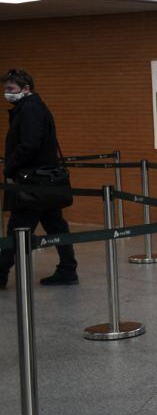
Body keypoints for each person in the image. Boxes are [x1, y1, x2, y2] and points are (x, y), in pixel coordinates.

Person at [0, 68, 78, 288]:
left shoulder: (30, 109)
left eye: (10, 89)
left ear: (26, 88)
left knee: (18, 229)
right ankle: (67, 268)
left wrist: (10, 167)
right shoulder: (35, 106)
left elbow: (30, 144)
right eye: (5, 89)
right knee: (56, 226)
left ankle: (0, 272)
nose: (7, 93)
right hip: (45, 180)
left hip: (33, 181)